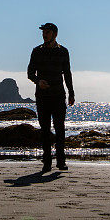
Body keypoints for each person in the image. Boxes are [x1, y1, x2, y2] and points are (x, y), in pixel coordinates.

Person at [27, 22, 75, 173]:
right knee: (45, 130)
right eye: (43, 32)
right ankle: (47, 162)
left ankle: (61, 161)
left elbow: (67, 73)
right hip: (42, 96)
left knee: (60, 129)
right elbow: (30, 73)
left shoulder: (63, 52)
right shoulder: (36, 51)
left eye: (47, 32)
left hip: (59, 95)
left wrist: (71, 93)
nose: (44, 34)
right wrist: (37, 81)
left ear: (55, 34)